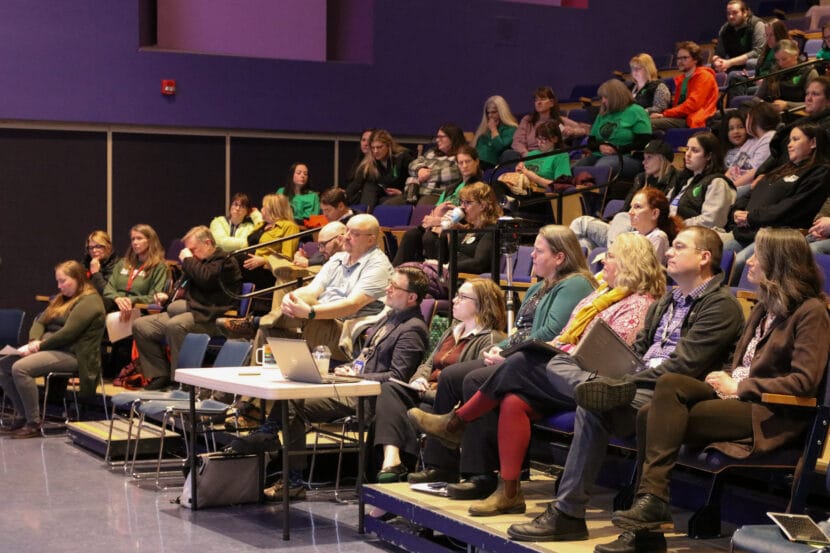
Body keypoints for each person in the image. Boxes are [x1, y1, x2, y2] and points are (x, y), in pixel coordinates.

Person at [504, 227, 744, 547]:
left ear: (704, 258)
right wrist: (616, 374)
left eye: (679, 246)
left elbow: (686, 366)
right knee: (557, 363)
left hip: (667, 394)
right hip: (633, 381)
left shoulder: (721, 306)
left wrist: (623, 381)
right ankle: (569, 514)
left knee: (595, 402)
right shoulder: (668, 300)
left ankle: (569, 513)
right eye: (670, 246)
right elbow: (640, 351)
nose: (669, 252)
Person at [410, 232, 666, 516]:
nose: (604, 259)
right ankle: (508, 492)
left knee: (519, 361)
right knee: (513, 401)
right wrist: (553, 350)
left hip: (592, 382)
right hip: (566, 368)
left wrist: (552, 352)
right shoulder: (601, 294)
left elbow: (606, 354)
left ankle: (456, 423)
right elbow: (566, 336)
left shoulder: (639, 304)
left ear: (631, 263)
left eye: (613, 256)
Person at [607, 228, 829, 549]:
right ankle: (650, 510)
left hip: (768, 412)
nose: (749, 261)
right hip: (734, 397)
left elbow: (804, 381)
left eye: (758, 256)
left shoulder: (811, 312)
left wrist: (740, 387)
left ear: (778, 263)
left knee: (651, 417)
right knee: (664, 391)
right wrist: (721, 378)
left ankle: (647, 522)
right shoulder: (764, 305)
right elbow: (739, 361)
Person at [406, 226, 595, 499]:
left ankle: (480, 474)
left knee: (474, 379)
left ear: (560, 257)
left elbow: (550, 332)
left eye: (539, 251)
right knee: (451, 376)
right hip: (522, 356)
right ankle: (442, 465)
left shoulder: (576, 283)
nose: (531, 256)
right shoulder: (539, 287)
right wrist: (499, 347)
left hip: (548, 367)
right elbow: (521, 331)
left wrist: (504, 353)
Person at [241, 266, 429, 500]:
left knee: (293, 405)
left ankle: (272, 443)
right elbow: (367, 356)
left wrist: (356, 377)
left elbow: (397, 378)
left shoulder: (413, 329)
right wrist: (352, 367)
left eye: (395, 287)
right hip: (355, 387)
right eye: (389, 284)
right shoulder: (388, 317)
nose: (387, 289)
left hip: (373, 399)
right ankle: (288, 470)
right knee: (291, 400)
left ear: (412, 297)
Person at [373, 278, 508, 484]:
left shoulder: (491, 339)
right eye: (456, 295)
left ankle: (406, 470)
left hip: (450, 403)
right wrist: (419, 379)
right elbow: (427, 365)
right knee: (389, 389)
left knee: (405, 412)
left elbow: (470, 385)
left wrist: (425, 391)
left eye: (462, 297)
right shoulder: (451, 331)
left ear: (482, 304)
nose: (454, 300)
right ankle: (392, 461)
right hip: (426, 391)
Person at [252, 214, 393, 363]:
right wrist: (291, 297)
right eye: (347, 231)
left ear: (370, 239)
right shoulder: (338, 258)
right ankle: (250, 384)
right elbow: (311, 291)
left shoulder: (378, 266)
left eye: (354, 234)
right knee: (267, 332)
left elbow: (352, 306)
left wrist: (311, 313)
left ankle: (255, 322)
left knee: (304, 309)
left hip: (344, 332)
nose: (346, 237)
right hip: (319, 320)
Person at [0, 260, 105, 438]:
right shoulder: (61, 299)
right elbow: (40, 320)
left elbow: (68, 333)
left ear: (78, 278)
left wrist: (38, 346)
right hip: (51, 348)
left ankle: (33, 422)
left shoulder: (91, 301)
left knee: (20, 368)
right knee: (3, 366)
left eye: (63, 281)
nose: (59, 286)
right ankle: (22, 414)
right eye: (58, 281)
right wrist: (34, 340)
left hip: (75, 354)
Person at [133, 226, 242, 390]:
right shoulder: (196, 262)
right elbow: (182, 289)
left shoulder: (225, 261)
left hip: (212, 316)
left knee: (176, 325)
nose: (189, 253)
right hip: (193, 311)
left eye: (193, 249)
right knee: (141, 325)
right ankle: (159, 374)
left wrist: (189, 260)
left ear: (207, 243)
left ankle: (185, 382)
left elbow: (205, 278)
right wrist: (167, 297)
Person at [722, 123, 830, 285]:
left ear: (813, 143)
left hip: (774, 233)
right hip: (746, 230)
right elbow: (753, 191)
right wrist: (737, 211)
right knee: (716, 255)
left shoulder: (819, 172)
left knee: (741, 264)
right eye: (789, 140)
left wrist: (751, 217)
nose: (789, 144)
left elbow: (791, 207)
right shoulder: (782, 168)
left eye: (795, 139)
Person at [570, 139, 682, 253]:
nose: (644, 162)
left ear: (662, 158)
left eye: (649, 157)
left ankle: (614, 256)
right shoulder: (641, 178)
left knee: (586, 222)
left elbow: (669, 213)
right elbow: (627, 207)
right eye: (644, 158)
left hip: (645, 230)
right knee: (585, 241)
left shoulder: (678, 179)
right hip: (627, 230)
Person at [393, 182, 503, 287]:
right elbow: (448, 255)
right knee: (408, 270)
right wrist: (450, 232)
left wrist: (447, 267)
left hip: (469, 282)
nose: (462, 207)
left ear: (482, 205)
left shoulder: (491, 231)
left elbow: (479, 264)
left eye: (467, 202)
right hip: (450, 277)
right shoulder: (468, 229)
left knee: (412, 279)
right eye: (461, 202)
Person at [575, 79, 652, 179]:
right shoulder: (603, 113)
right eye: (602, 97)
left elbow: (643, 142)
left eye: (605, 97)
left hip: (628, 157)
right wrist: (600, 147)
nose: (603, 101)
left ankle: (598, 194)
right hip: (600, 155)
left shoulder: (636, 111)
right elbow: (591, 140)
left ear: (616, 96)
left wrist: (617, 149)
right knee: (576, 169)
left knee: (601, 168)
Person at [756, 76, 830, 174]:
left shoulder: (825, 128)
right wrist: (761, 173)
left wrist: (766, 175)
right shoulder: (804, 122)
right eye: (807, 93)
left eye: (815, 94)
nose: (808, 98)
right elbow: (778, 153)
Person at [665, 132, 735, 230]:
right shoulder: (684, 180)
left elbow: (712, 221)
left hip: (696, 238)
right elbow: (664, 206)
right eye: (687, 149)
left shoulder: (717, 183)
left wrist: (678, 225)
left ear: (709, 156)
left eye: (695, 150)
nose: (687, 154)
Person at [650, 42, 719, 131]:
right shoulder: (682, 79)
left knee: (648, 124)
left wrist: (665, 114)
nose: (680, 61)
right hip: (681, 117)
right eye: (678, 58)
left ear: (695, 59)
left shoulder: (704, 76)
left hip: (693, 118)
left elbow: (692, 105)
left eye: (684, 58)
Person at [103, 224, 168, 316]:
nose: (135, 242)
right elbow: (108, 289)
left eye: (139, 238)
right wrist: (118, 298)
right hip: (115, 303)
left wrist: (130, 300)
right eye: (133, 239)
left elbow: (154, 297)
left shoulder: (158, 266)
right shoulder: (123, 263)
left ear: (150, 241)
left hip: (138, 308)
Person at [240, 193, 300, 292]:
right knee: (225, 261)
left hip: (267, 270)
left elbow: (287, 257)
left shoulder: (289, 226)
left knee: (230, 263)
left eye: (264, 207)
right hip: (249, 264)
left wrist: (264, 260)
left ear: (274, 209)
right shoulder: (261, 225)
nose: (261, 209)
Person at [346, 129, 414, 210]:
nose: (375, 151)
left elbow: (416, 180)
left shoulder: (402, 157)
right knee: (369, 186)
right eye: (373, 148)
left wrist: (402, 192)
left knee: (384, 204)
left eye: (379, 147)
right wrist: (342, 196)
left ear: (388, 146)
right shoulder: (370, 162)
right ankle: (364, 217)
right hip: (383, 195)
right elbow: (356, 184)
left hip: (403, 195)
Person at [510, 86, 584, 157]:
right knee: (509, 154)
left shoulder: (559, 120)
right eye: (536, 100)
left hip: (550, 156)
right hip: (529, 155)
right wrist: (526, 154)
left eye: (542, 99)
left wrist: (573, 131)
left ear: (551, 103)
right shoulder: (527, 120)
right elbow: (517, 142)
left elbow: (584, 130)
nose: (538, 102)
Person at [404, 123, 466, 206]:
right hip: (415, 191)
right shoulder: (431, 152)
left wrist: (426, 175)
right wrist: (420, 170)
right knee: (391, 204)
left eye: (441, 137)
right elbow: (412, 164)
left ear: (452, 138)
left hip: (437, 194)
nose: (437, 140)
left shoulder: (460, 155)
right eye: (437, 137)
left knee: (422, 206)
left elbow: (455, 173)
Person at [726, 102, 780, 194]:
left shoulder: (769, 138)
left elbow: (755, 172)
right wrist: (723, 182)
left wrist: (729, 187)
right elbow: (733, 166)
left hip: (746, 187)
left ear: (755, 120)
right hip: (732, 184)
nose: (746, 121)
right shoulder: (752, 140)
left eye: (747, 118)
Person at [756, 40, 819, 114]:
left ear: (795, 55)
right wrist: (763, 104)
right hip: (773, 114)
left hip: (798, 115)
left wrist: (787, 105)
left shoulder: (809, 72)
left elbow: (814, 104)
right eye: (777, 60)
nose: (780, 63)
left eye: (784, 59)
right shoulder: (774, 71)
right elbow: (757, 97)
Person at [712, 1, 765, 75]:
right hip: (732, 65)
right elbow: (719, 52)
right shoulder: (725, 29)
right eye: (728, 13)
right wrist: (717, 60)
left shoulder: (757, 25)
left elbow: (758, 52)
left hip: (751, 67)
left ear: (745, 12)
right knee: (709, 69)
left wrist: (730, 62)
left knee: (734, 74)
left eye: (735, 13)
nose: (731, 16)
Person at [473, 95, 519, 168]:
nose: (490, 115)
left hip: (497, 166)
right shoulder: (483, 131)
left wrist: (494, 130)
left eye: (494, 112)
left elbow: (500, 148)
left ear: (502, 112)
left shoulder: (511, 129)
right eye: (488, 112)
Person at [83, 230, 118, 296]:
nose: (94, 250)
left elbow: (107, 293)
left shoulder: (117, 265)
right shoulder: (85, 264)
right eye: (91, 247)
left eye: (98, 246)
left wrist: (96, 273)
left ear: (108, 247)